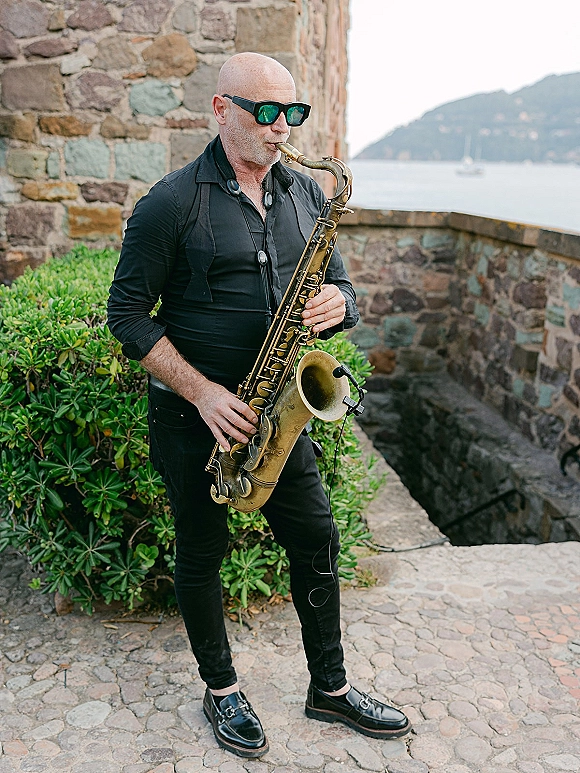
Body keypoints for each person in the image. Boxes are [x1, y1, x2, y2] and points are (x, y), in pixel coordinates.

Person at [107, 52, 411, 758]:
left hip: (279, 414)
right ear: (221, 111)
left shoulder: (306, 192)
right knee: (202, 551)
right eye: (265, 113)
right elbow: (126, 315)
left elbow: (337, 286)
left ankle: (328, 689)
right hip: (199, 420)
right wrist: (204, 392)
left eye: (293, 114)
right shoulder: (171, 203)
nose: (281, 129)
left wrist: (344, 304)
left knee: (318, 539)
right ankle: (221, 690)